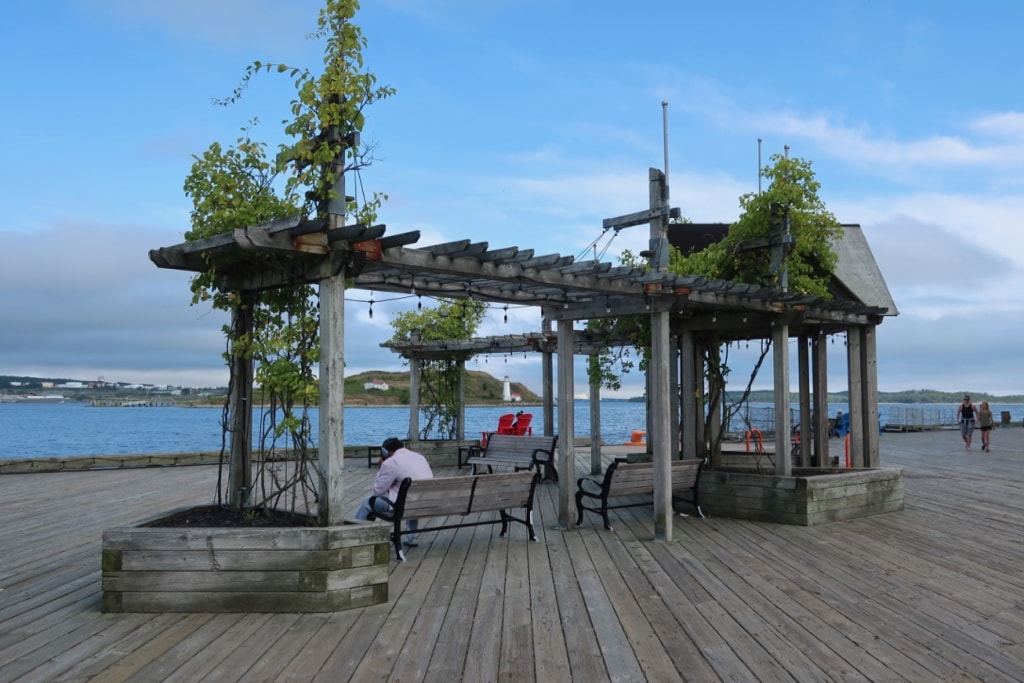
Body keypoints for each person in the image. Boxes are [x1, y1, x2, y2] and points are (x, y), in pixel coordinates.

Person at [356, 437, 433, 546]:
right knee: (412, 496)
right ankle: (412, 537)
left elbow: (377, 491)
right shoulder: (420, 457)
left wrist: (381, 468)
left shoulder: (392, 462)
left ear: (386, 452)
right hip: (424, 503)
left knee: (367, 502)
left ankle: (356, 535)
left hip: (400, 507)